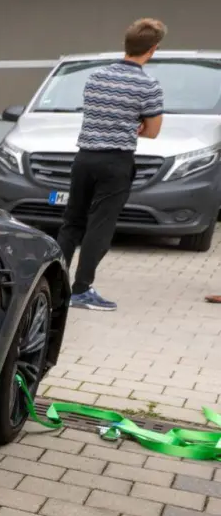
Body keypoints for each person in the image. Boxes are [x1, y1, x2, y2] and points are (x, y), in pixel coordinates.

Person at [56, 18, 166, 312]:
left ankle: (54, 285)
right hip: (115, 161)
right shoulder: (148, 85)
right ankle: (80, 290)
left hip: (84, 158)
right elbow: (153, 131)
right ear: (152, 49)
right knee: (100, 225)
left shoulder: (96, 77)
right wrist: (137, 122)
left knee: (71, 222)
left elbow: (98, 115)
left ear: (126, 44)